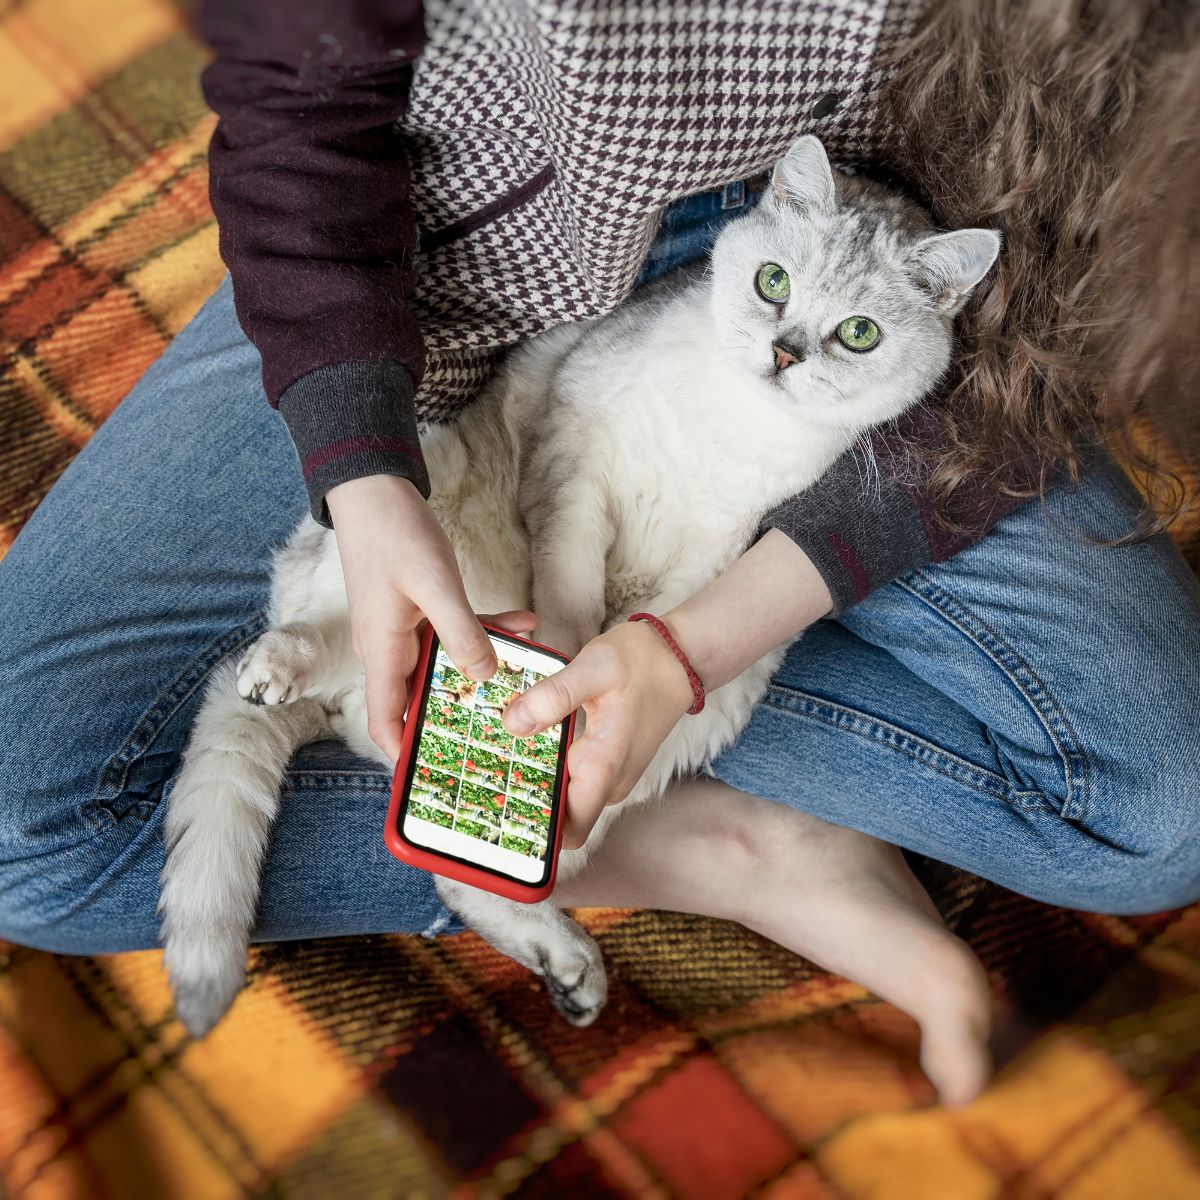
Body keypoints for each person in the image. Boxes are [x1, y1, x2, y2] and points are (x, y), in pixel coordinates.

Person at [0, 0, 1197, 1106]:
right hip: (471, 232)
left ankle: (612, 788)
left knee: (1168, 820)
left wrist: (695, 644)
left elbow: (1063, 287)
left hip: (904, 310)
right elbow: (292, 77)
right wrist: (360, 461)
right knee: (22, 834)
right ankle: (723, 846)